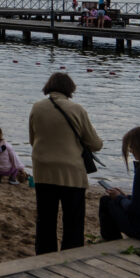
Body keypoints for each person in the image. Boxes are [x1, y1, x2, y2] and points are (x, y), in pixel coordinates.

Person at [29, 72, 103, 254]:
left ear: (48, 86)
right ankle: (70, 256)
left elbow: (33, 139)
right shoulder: (77, 109)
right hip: (71, 173)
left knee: (45, 219)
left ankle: (44, 256)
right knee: (73, 221)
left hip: (43, 171)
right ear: (70, 89)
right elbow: (95, 144)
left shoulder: (37, 108)